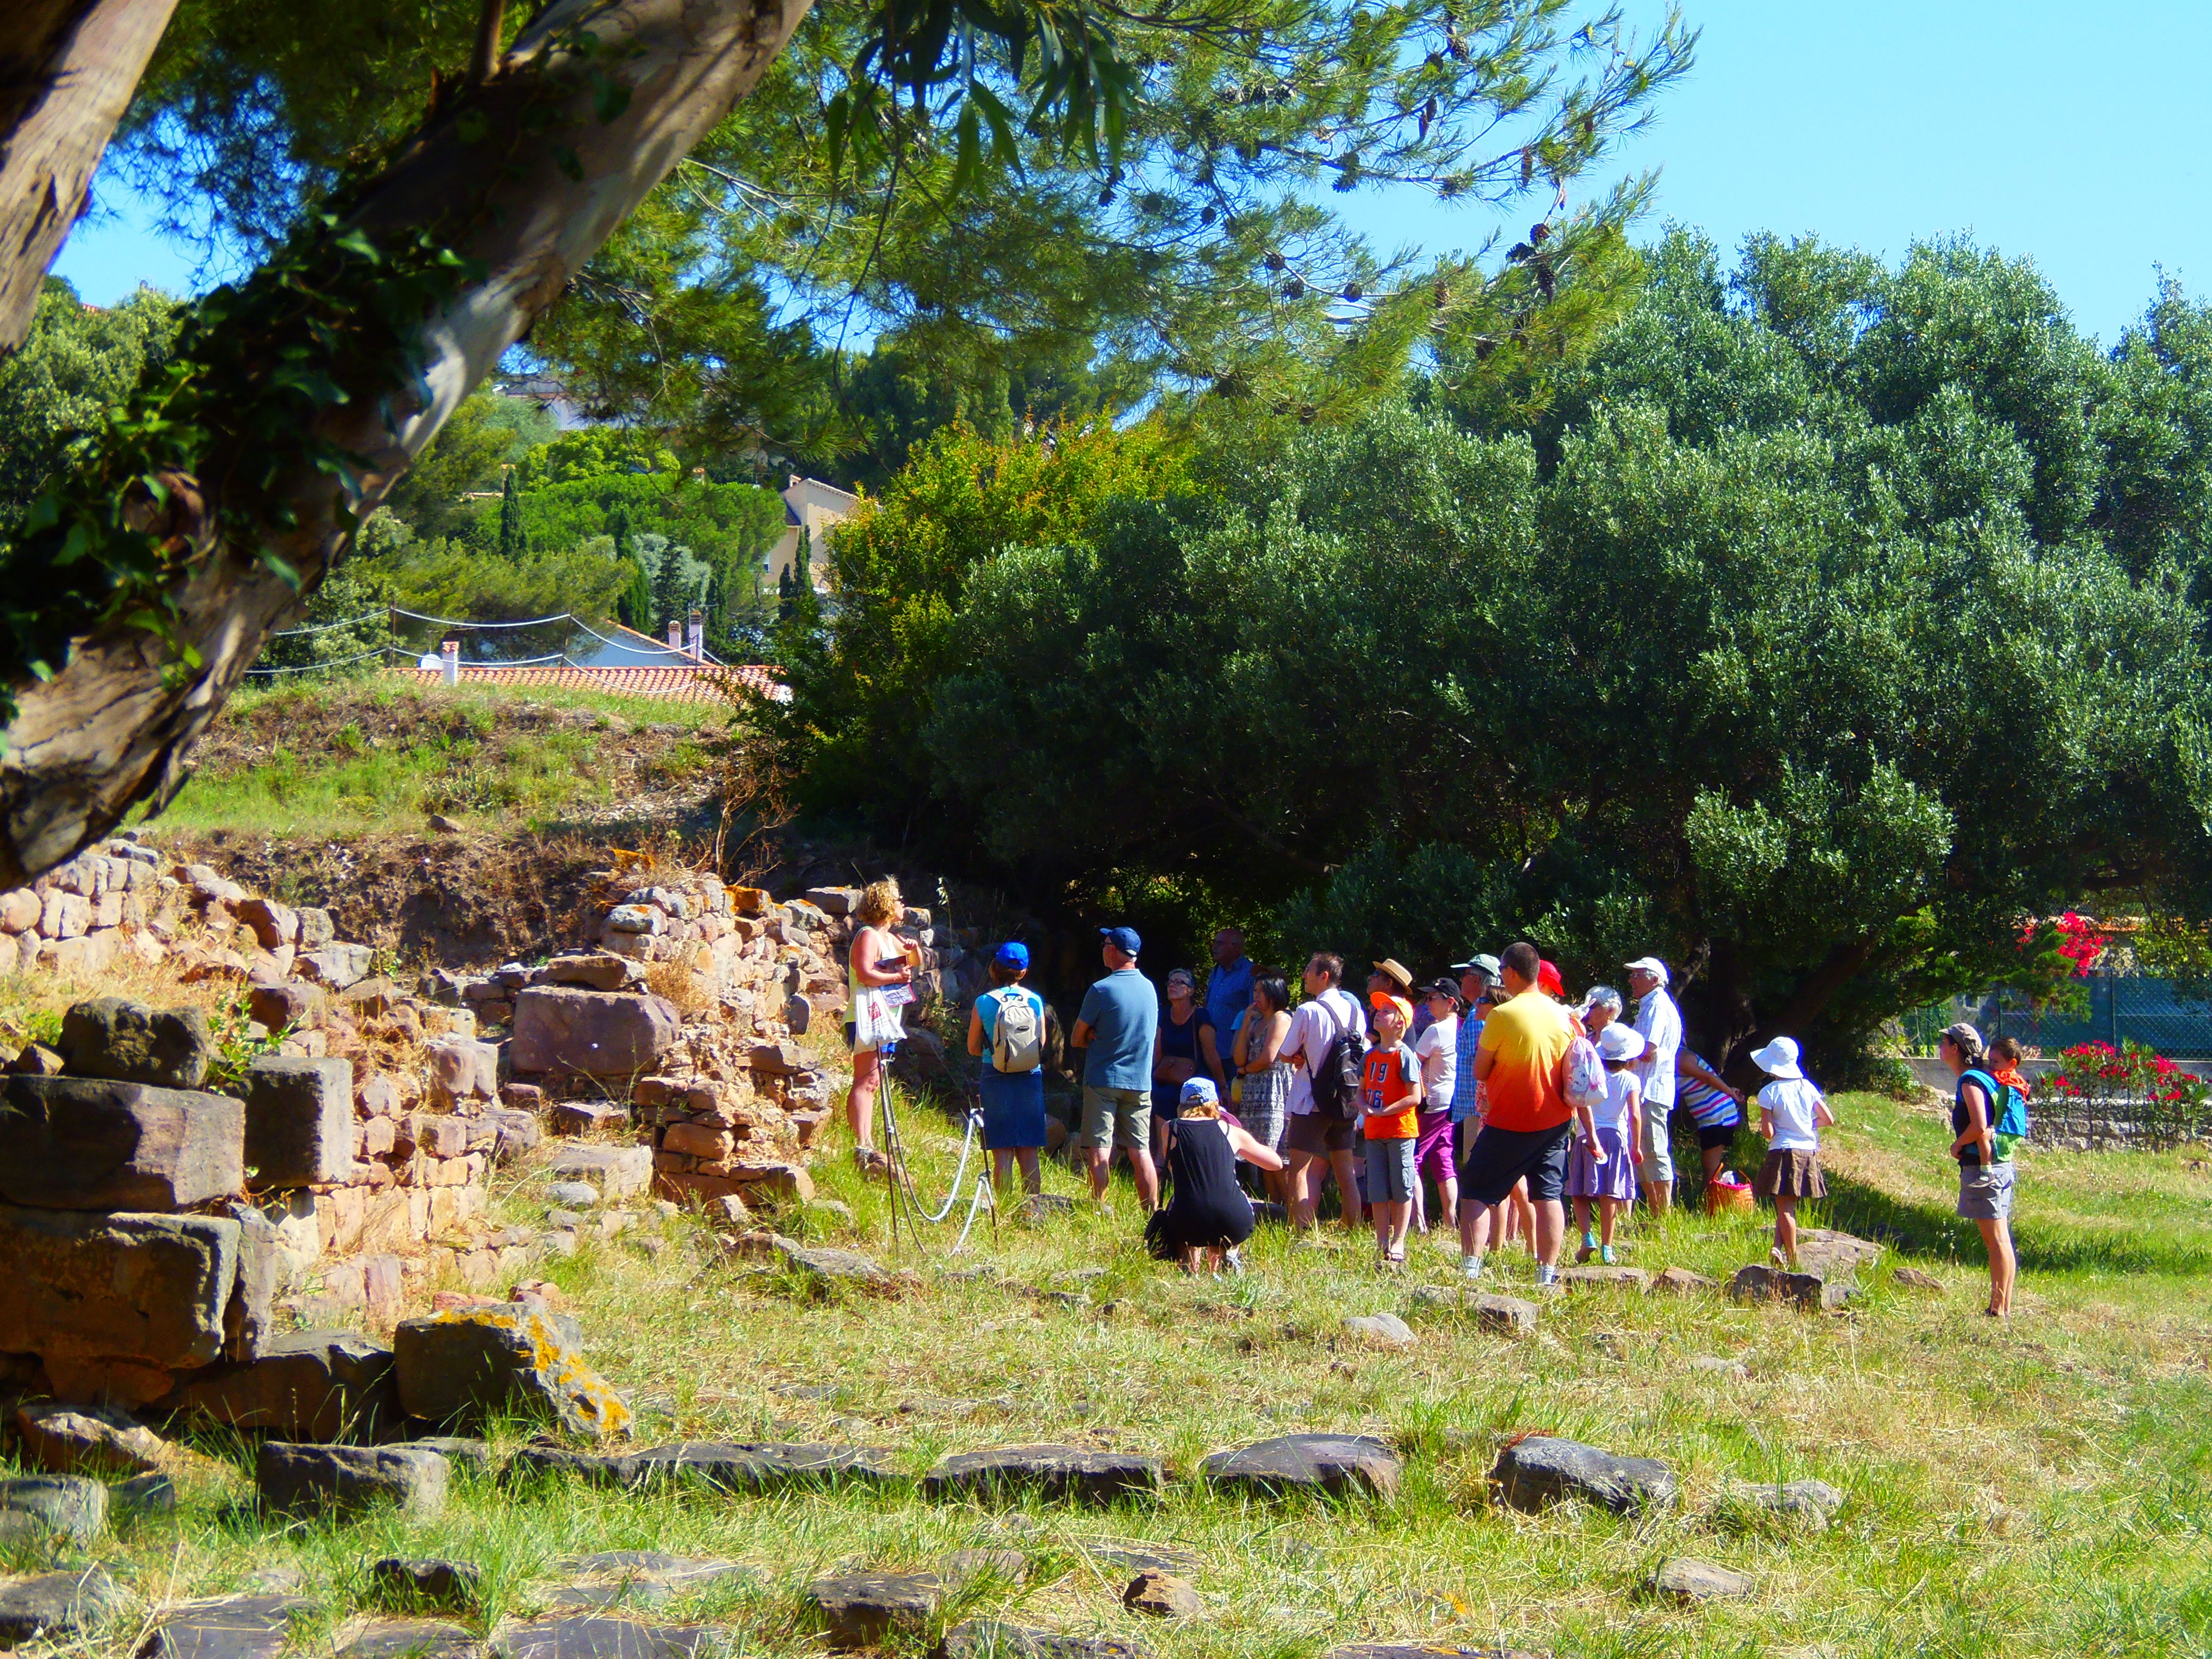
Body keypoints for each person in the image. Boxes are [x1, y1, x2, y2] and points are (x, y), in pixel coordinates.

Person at [1458, 941, 1577, 1285]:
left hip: (1509, 1119)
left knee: (1476, 1189)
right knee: (1549, 1195)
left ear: (1510, 972)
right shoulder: (1562, 1016)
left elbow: (1480, 1071)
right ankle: (1547, 1273)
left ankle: (1471, 1269)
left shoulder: (1502, 1015)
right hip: (1556, 1121)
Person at [1145, 1077, 1287, 1274]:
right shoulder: (1232, 1131)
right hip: (1233, 1220)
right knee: (1232, 1201)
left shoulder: (1170, 1129)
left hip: (1187, 1220)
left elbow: (1174, 1169)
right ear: (1214, 1103)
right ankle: (1225, 1261)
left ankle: (1190, 1270)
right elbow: (1276, 1164)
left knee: (1187, 1201)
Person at [1071, 926, 1162, 1209]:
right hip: (1140, 1083)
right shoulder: (1150, 988)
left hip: (1103, 1080)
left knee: (1100, 1148)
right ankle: (1153, 1214)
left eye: (1105, 943)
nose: (1102, 947)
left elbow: (1075, 1038)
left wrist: (1091, 1034)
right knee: (1141, 1151)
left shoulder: (1101, 989)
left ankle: (1098, 1208)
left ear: (1113, 950)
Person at [1281, 952, 1366, 1234]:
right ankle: (1352, 1229)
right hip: (1345, 1099)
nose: (1304, 975)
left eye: (1308, 970)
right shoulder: (1356, 1012)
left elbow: (1284, 1053)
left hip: (1311, 1099)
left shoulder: (1308, 1011)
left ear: (1324, 976)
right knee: (1345, 1171)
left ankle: (1300, 1232)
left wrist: (1300, 1056)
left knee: (1299, 1170)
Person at [1940, 1022, 2018, 1317]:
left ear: (1955, 1048)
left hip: (1983, 1168)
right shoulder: (1984, 1078)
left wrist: (1957, 1144)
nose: (1940, 1048)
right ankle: (2002, 1307)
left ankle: (1998, 1308)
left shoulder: (1970, 1081)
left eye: (1944, 1042)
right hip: (2001, 1165)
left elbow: (1979, 1126)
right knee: (2001, 1238)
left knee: (1995, 1239)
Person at [967, 942, 1047, 1198]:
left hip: (995, 1074)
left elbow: (972, 1048)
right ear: (1023, 972)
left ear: (995, 968)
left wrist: (997, 1055)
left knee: (1002, 1149)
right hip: (1030, 1076)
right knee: (1029, 1148)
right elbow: (1042, 1042)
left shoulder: (983, 1002)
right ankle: (1033, 1207)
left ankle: (1003, 1207)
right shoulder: (1035, 1000)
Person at [845, 877, 914, 1168]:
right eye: (898, 899)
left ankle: (867, 1142)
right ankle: (862, 1145)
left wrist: (911, 949)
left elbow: (915, 961)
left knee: (873, 1081)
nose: (902, 904)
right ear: (886, 905)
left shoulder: (890, 938)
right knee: (867, 1079)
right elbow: (864, 974)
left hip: (884, 1019)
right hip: (866, 1016)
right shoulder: (869, 936)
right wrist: (897, 978)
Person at [1750, 1036, 1834, 1268]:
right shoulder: (1807, 1087)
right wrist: (1806, 1126)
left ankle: (1792, 1259)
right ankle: (1777, 1248)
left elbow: (1767, 1132)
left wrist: (1775, 1127)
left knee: (1785, 1208)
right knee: (1788, 1205)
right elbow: (1828, 1119)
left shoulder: (1768, 1092)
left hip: (1783, 1151)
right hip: (1807, 1152)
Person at [1568, 1023, 1644, 1264]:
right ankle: (1607, 1247)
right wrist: (1637, 1145)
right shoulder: (1631, 1080)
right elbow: (1635, 1115)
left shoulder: (1592, 1074)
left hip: (1586, 1135)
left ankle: (1586, 1236)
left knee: (1579, 1189)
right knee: (1609, 1193)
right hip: (1616, 1136)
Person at [1361, 992, 1424, 1267]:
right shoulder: (1370, 1055)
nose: (1378, 1013)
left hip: (1400, 1131)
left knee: (1401, 1187)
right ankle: (1381, 1242)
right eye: (1378, 1009)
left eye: (1387, 1011)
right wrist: (1363, 1106)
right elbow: (1362, 1090)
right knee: (1377, 1190)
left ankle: (1399, 1240)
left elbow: (1415, 1096)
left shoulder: (1405, 1055)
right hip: (1374, 1133)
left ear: (1400, 1023)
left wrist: (1385, 1111)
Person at [1232, 971, 1295, 1205]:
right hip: (1254, 1093)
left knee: (1277, 1154)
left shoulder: (1281, 1019)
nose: (1255, 996)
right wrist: (1246, 1023)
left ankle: (1290, 1209)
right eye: (1255, 992)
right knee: (1262, 1153)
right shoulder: (1257, 1022)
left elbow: (1268, 1057)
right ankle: (1273, 1207)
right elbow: (1239, 1058)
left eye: (1260, 992)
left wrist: (1246, 1070)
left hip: (1274, 1091)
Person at [1626, 955, 1683, 1216]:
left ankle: (1663, 1214)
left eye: (1637, 975)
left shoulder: (1657, 1006)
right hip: (1647, 1087)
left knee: (1655, 1149)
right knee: (1644, 1149)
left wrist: (1619, 1057)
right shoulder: (1652, 1004)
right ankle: (1655, 1211)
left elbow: (1649, 1048)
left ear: (1654, 979)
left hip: (1652, 1088)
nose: (1631, 980)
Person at [1151, 968, 1223, 1164]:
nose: (1172, 985)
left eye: (1179, 982)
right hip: (1167, 1081)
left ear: (1191, 991)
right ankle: (1161, 1162)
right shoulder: (1164, 1016)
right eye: (1170, 982)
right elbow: (1157, 1054)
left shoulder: (1201, 1017)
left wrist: (1222, 1087)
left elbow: (1211, 1055)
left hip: (1196, 1083)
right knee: (1160, 1096)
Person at [1411, 980, 1460, 1235]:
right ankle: (1450, 1221)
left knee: (1413, 1159)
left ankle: (1419, 1223)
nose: (1428, 1003)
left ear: (1450, 1002)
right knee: (1443, 1159)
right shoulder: (1462, 1027)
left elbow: (1414, 1063)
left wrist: (1419, 1094)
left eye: (1433, 998)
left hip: (1432, 1102)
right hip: (1452, 1101)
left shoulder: (1436, 1030)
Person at [1676, 1050, 1749, 1189]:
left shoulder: (1681, 1058)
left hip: (1717, 1115)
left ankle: (1711, 1204)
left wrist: (1729, 1091)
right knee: (1710, 1166)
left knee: (1711, 1168)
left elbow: (1707, 1077)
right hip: (1710, 1117)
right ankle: (1714, 1200)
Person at [1203, 929, 1255, 1068]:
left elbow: (1255, 1015)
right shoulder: (1216, 971)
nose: (1214, 947)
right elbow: (1207, 1003)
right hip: (1209, 1052)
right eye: (1214, 943)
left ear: (1236, 947)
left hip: (1232, 1055)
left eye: (1219, 943)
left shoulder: (1251, 974)